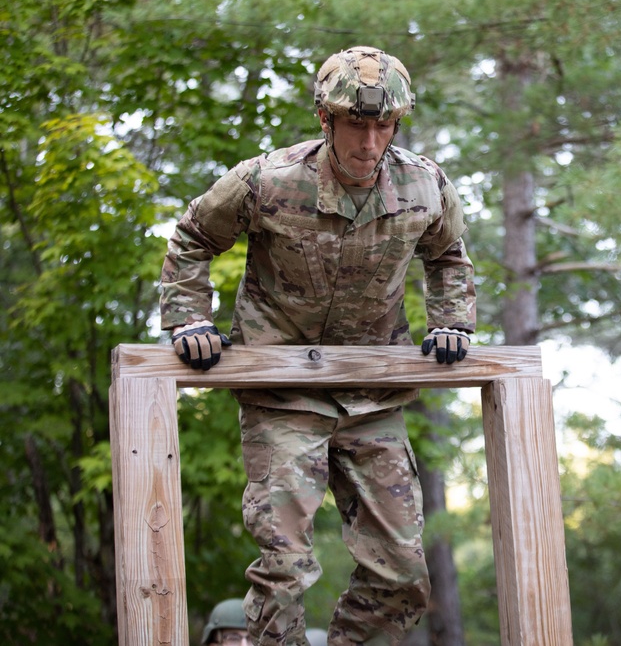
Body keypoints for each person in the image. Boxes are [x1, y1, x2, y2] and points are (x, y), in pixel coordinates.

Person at [160, 45, 477, 645]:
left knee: (404, 575)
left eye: (384, 126)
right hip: (282, 394)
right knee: (284, 567)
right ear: (326, 120)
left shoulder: (425, 185)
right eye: (356, 124)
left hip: (372, 398)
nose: (370, 141)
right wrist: (187, 320)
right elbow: (194, 235)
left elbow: (449, 256)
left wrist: (453, 322)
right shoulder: (269, 180)